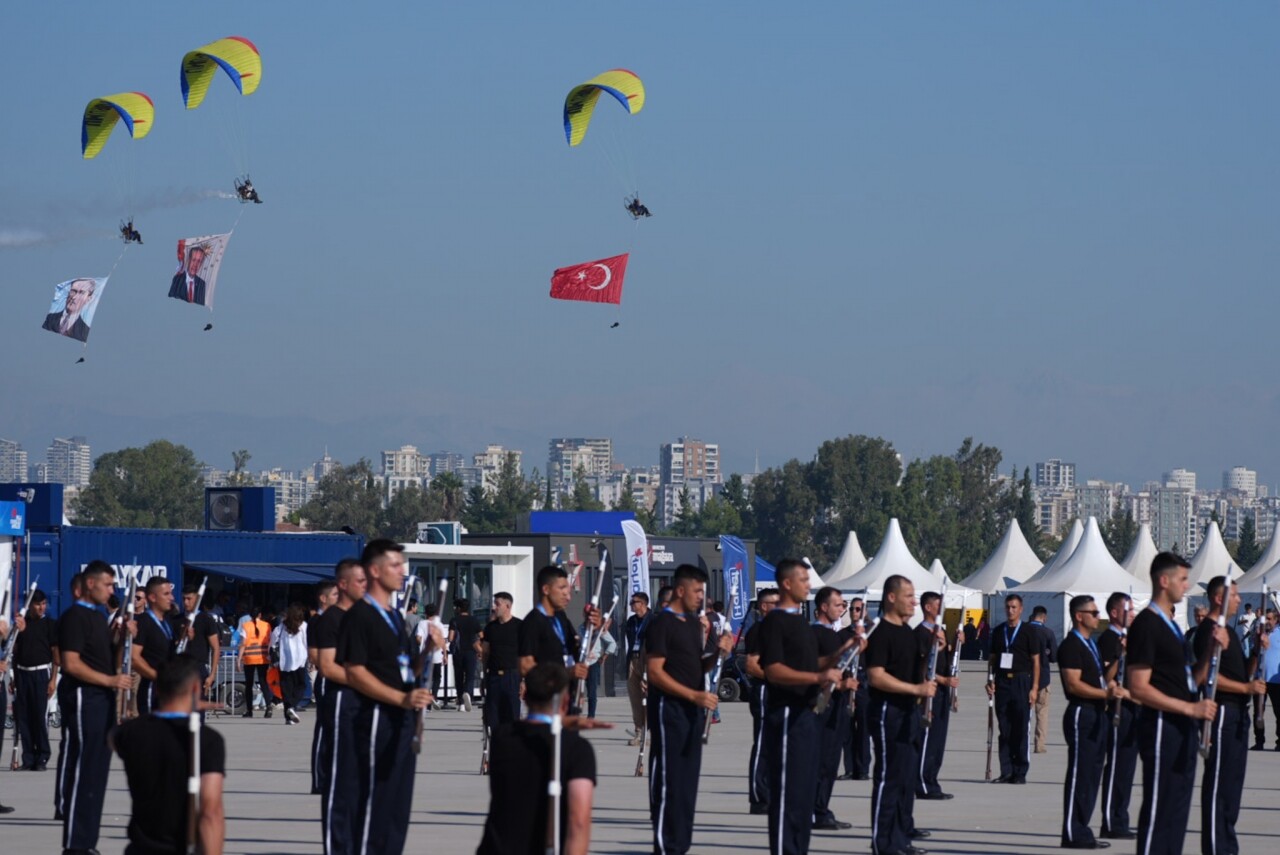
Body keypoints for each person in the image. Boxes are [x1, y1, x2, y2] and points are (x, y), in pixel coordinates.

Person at [331, 539, 433, 855]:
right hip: (375, 717)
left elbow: (404, 668)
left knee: (396, 807)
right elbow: (355, 672)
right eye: (394, 565)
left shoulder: (394, 616)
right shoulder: (360, 615)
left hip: (402, 719)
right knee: (374, 803)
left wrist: (428, 650)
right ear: (374, 570)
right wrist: (399, 699)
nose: (402, 572)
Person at [1127, 552, 1219, 855]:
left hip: (1182, 729)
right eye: (1182, 579)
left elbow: (1189, 679)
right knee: (1160, 810)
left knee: (1177, 810)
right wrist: (1189, 708)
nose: (1187, 585)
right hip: (1161, 727)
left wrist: (1211, 652)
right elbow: (1139, 687)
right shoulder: (1147, 624)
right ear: (1164, 581)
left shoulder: (1172, 626)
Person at [758, 559, 852, 855]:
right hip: (786, 713)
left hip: (807, 715)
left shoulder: (799, 622)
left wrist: (840, 653)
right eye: (803, 579)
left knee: (803, 791)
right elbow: (773, 669)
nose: (808, 585)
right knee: (787, 793)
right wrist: (817, 676)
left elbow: (814, 663)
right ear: (787, 584)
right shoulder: (775, 621)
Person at [644, 564, 732, 854]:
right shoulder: (662, 623)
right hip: (669, 710)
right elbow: (656, 672)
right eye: (696, 591)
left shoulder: (694, 623)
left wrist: (718, 652)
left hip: (693, 713)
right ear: (680, 590)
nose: (701, 597)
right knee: (670, 780)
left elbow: (697, 665)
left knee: (687, 783)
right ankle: (665, 845)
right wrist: (692, 695)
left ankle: (680, 843)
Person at [477, 663, 596, 855]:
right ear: (565, 702)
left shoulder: (502, 738)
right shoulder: (576, 750)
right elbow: (579, 821)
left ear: (524, 696)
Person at [111, 656, 225, 855]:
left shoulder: (132, 733)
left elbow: (112, 737)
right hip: (182, 847)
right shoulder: (206, 739)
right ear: (196, 690)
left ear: (157, 689)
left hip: (140, 848)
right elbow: (210, 811)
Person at [58, 560, 135, 852]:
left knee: (97, 774)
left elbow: (105, 656)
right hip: (84, 697)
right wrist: (110, 680)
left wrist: (123, 636)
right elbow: (72, 663)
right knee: (83, 770)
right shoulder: (75, 617)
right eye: (107, 584)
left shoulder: (99, 616)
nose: (111, 590)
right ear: (90, 584)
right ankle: (75, 845)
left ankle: (87, 841)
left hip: (102, 700)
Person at [1192, 574, 1267, 855]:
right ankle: (1215, 846)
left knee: (1233, 787)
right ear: (1219, 598)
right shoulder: (1208, 632)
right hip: (1221, 711)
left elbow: (1242, 671)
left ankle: (1226, 845)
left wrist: (1258, 652)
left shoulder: (1231, 633)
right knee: (1219, 786)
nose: (1239, 600)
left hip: (1240, 713)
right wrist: (1245, 686)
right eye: (1234, 595)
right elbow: (1210, 678)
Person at [866, 574, 937, 855]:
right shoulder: (881, 632)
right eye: (908, 596)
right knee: (888, 778)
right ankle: (882, 842)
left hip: (908, 712)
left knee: (904, 778)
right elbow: (876, 676)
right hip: (887, 711)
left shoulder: (908, 633)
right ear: (891, 597)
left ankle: (899, 839)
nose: (914, 602)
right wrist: (914, 688)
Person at [1058, 595, 1128, 850]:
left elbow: (1101, 676)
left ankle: (1082, 829)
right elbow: (1074, 685)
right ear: (1079, 616)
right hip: (1081, 713)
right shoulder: (1071, 646)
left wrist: (1119, 657)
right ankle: (1072, 831)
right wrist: (1106, 694)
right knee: (1080, 774)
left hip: (1097, 713)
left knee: (1091, 775)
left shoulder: (1091, 644)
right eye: (1094, 613)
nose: (1098, 617)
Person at [312, 558, 366, 840]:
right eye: (360, 582)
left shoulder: (360, 617)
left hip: (360, 698)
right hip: (337, 693)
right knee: (328, 742)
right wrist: (366, 681)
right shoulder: (326, 621)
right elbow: (325, 664)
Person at [810, 586, 858, 831]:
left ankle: (821, 807)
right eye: (838, 604)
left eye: (844, 605)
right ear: (823, 607)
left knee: (831, 760)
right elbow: (815, 669)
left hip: (838, 706)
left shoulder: (838, 634)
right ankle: (814, 809)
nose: (843, 608)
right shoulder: (815, 633)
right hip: (821, 704)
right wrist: (841, 685)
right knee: (820, 760)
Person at [1097, 592, 1139, 841]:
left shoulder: (1128, 638)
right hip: (1116, 711)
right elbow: (1106, 678)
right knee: (1117, 768)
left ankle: (1120, 817)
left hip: (1133, 710)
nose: (1132, 614)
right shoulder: (1109, 639)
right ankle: (1111, 821)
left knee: (1127, 769)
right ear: (1114, 612)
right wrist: (1120, 655)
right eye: (1129, 610)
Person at [987, 593, 1040, 784]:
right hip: (1002, 683)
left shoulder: (1028, 631)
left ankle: (1020, 771)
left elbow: (1036, 661)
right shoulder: (999, 631)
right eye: (1008, 607)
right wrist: (990, 679)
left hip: (1021, 682)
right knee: (1004, 728)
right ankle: (1006, 771)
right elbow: (992, 659)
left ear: (1021, 609)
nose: (1010, 610)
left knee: (1020, 727)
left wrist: (1034, 688)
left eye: (1014, 607)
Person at [917, 590, 959, 801]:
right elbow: (925, 667)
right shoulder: (921, 634)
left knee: (938, 741)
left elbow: (947, 662)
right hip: (928, 693)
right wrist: (943, 680)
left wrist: (954, 644)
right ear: (928, 607)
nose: (941, 609)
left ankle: (932, 780)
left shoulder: (940, 631)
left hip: (943, 693)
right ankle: (922, 782)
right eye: (938, 605)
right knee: (927, 740)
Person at [519, 565, 592, 683]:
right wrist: (564, 673)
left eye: (568, 591)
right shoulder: (533, 622)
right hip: (545, 696)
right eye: (561, 589)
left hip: (565, 693)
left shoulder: (561, 617)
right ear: (546, 590)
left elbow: (576, 645)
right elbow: (525, 666)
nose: (567, 596)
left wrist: (594, 626)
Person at [12, 588, 59, 771]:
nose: (41, 608)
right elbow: (15, 653)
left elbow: (56, 654)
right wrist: (14, 678)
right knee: (24, 718)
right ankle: (28, 757)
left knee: (39, 717)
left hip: (41, 674)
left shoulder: (50, 625)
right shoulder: (22, 625)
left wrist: (53, 679)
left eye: (44, 604)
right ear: (30, 605)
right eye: (38, 604)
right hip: (23, 674)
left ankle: (42, 757)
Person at [743, 588, 779, 814]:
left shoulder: (777, 629)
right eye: (775, 603)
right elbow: (751, 665)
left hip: (778, 691)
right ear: (764, 606)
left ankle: (770, 791)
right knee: (763, 742)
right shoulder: (758, 630)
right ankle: (758, 796)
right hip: (764, 689)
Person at [133, 576, 179, 717]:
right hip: (152, 690)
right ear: (152, 597)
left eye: (171, 593)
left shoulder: (167, 622)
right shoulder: (144, 622)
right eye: (166, 594)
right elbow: (134, 657)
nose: (171, 598)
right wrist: (157, 677)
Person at [480, 592, 523, 730]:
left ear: (508, 606)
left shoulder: (520, 626)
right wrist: (484, 676)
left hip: (512, 676)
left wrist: (524, 680)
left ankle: (512, 749)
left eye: (497, 604)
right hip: (493, 677)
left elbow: (526, 655)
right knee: (493, 718)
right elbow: (485, 653)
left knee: (512, 717)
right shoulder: (490, 628)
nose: (494, 607)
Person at [842, 596, 873, 781]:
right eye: (852, 609)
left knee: (863, 729)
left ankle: (862, 769)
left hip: (864, 684)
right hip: (847, 684)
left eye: (858, 609)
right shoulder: (844, 634)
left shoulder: (872, 633)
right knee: (846, 730)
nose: (855, 612)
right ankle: (849, 768)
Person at [180, 584, 221, 701]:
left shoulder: (206, 620)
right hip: (179, 668)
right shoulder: (176, 620)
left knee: (197, 709)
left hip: (198, 668)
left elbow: (216, 647)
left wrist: (212, 674)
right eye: (184, 599)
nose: (186, 602)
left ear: (197, 599)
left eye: (189, 599)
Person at [271, 603, 309, 725]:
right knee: (301, 685)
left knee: (286, 688)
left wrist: (271, 658)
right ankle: (291, 707)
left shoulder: (281, 627)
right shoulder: (303, 626)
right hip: (300, 661)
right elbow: (307, 643)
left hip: (284, 662)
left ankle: (288, 716)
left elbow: (272, 643)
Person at [624, 591, 651, 745]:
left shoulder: (653, 620)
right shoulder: (631, 621)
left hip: (647, 660)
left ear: (643, 604)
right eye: (631, 602)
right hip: (633, 659)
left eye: (634, 602)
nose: (632, 605)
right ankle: (638, 732)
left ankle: (650, 732)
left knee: (647, 698)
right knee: (635, 698)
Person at [579, 609, 616, 719]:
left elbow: (612, 643)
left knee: (591, 691)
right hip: (581, 663)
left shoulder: (599, 629)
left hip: (593, 663)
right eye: (586, 614)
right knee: (578, 691)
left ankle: (591, 716)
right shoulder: (581, 628)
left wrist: (603, 656)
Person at [1030, 604, 1057, 753]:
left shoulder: (1024, 630)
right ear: (1044, 618)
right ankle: (1039, 745)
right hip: (1043, 677)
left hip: (1026, 676)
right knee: (1042, 712)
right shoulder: (1048, 633)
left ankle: (1021, 741)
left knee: (1023, 712)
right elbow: (1053, 657)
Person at [239, 604, 274, 717]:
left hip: (249, 658)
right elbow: (270, 642)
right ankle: (268, 706)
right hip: (263, 658)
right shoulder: (267, 625)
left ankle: (249, 710)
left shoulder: (245, 626)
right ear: (260, 615)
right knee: (263, 683)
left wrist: (238, 659)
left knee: (249, 685)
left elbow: (243, 644)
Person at [449, 597, 482, 712]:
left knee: (458, 677)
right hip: (471, 652)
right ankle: (467, 693)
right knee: (470, 676)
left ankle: (461, 703)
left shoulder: (454, 620)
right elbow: (482, 636)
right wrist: (479, 648)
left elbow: (450, 637)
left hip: (458, 652)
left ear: (458, 608)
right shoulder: (474, 620)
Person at [42, 277, 97, 342]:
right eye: (73, 291)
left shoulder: (83, 329)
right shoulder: (51, 318)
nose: (74, 297)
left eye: (81, 293)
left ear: (88, 299)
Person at [416, 603, 447, 705]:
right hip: (437, 656)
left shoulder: (421, 623)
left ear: (425, 613)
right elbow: (443, 641)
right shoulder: (440, 624)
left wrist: (420, 644)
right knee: (437, 678)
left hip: (425, 656)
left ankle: (427, 699)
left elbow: (418, 638)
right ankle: (434, 696)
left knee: (425, 678)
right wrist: (445, 655)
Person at [1260, 608, 1280, 750]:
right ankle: (1259, 740)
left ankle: (1279, 742)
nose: (1266, 622)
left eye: (1269, 619)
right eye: (1265, 619)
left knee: (1278, 711)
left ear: (1276, 619)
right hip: (1260, 679)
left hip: (1276, 680)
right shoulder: (1259, 634)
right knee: (1258, 712)